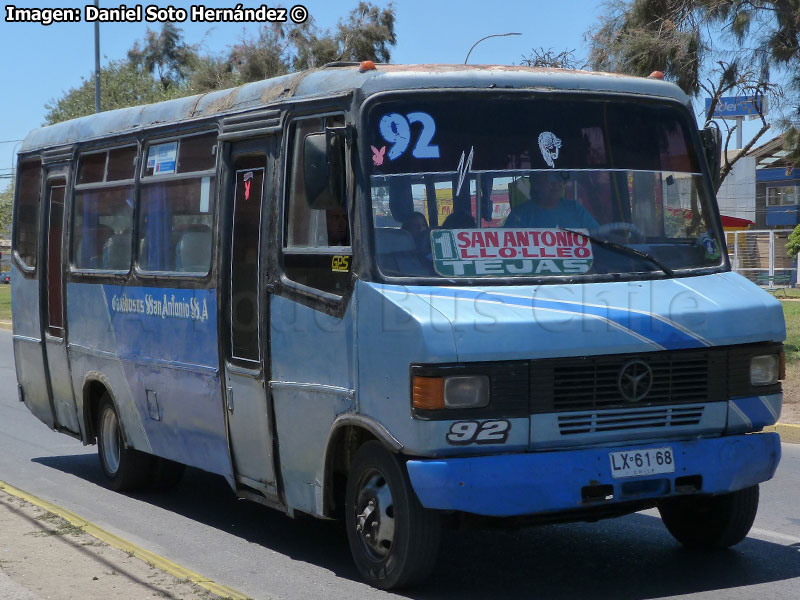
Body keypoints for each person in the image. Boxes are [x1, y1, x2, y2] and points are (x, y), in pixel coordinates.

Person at [504, 171, 598, 230]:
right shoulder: (520, 214)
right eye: (551, 178)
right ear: (536, 182)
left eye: (560, 178)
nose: (557, 183)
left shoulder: (575, 209)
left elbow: (598, 237)